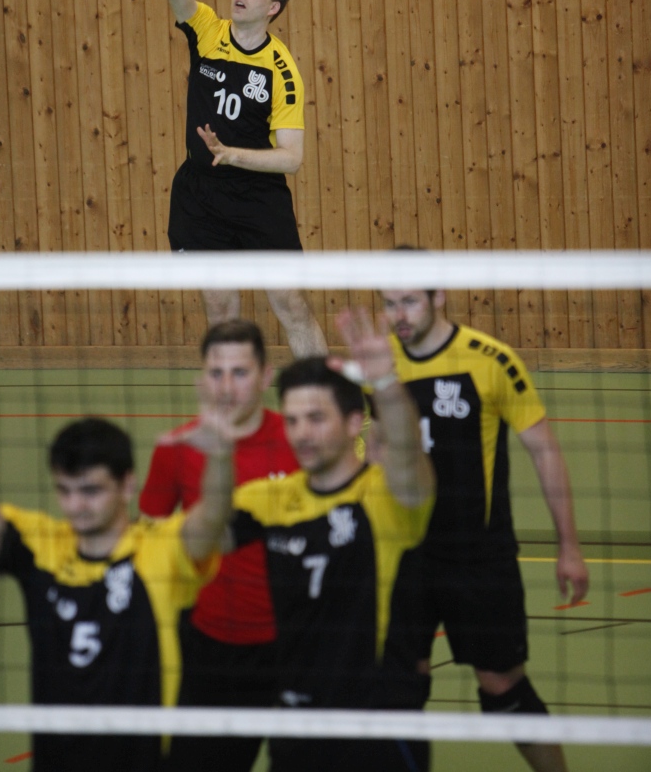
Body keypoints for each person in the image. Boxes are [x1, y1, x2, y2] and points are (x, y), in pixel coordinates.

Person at [0, 375, 243, 772]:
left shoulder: (160, 552)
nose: (76, 506)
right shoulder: (40, 545)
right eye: (65, 490)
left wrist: (220, 457)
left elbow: (211, 518)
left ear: (127, 485)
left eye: (91, 491)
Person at [380, 285, 589, 772]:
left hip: (478, 556)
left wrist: (569, 547)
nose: (399, 314)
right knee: (398, 691)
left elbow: (544, 450)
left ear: (438, 297)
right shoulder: (381, 363)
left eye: (409, 301)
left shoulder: (490, 359)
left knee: (503, 689)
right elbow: (375, 451)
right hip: (405, 555)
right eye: (388, 303)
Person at [225, 308, 436, 772]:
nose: (302, 434)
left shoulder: (385, 500)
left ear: (354, 422)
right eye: (293, 420)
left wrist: (386, 385)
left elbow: (406, 454)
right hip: (296, 726)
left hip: (379, 728)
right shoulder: (267, 500)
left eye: (316, 418)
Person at [117, 0, 327, 358]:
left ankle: (328, 392)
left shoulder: (282, 71)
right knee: (219, 307)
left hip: (258, 198)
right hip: (201, 196)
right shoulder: (208, 31)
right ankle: (234, 396)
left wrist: (232, 155)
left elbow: (291, 158)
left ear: (272, 8)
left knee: (291, 304)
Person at [140, 319, 299, 772]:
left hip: (298, 645)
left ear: (266, 376)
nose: (227, 387)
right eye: (216, 373)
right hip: (210, 648)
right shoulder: (178, 448)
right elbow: (148, 545)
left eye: (240, 372)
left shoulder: (300, 442)